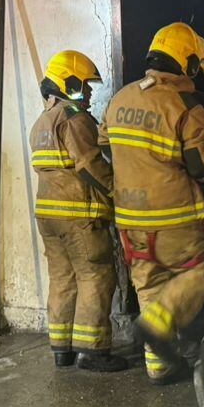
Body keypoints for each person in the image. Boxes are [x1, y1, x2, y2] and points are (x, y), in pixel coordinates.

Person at [99, 22, 204, 385]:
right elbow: (202, 170)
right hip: (175, 218)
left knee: (150, 286)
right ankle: (157, 325)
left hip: (129, 219)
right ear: (188, 63)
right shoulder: (186, 106)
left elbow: (106, 146)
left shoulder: (120, 98)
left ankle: (160, 365)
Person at [29, 50, 128, 373]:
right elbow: (90, 165)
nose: (87, 93)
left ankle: (63, 349)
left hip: (48, 217)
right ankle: (93, 350)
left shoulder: (41, 122)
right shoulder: (74, 119)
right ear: (67, 83)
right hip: (79, 216)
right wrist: (118, 193)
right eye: (83, 86)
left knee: (62, 278)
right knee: (95, 276)